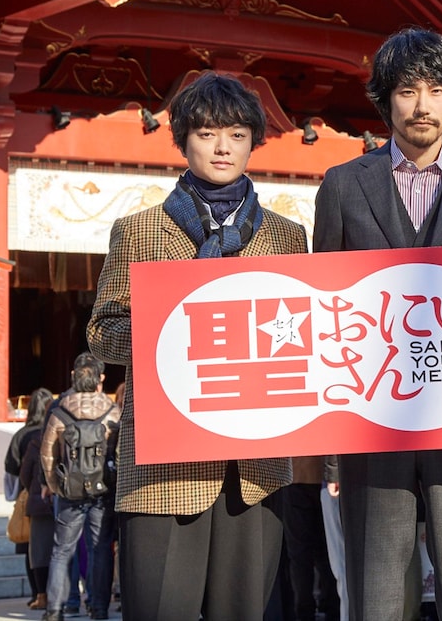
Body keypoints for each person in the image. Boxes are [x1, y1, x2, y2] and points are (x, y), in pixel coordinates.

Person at [311, 27, 442, 621]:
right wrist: (332, 448)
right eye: (407, 90)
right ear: (386, 100)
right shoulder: (344, 184)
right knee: (376, 584)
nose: (422, 105)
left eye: (435, 90)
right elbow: (326, 308)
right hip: (373, 413)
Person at [87, 71, 308, 621]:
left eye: (236, 134)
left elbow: (304, 341)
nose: (222, 147)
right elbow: (102, 332)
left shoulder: (286, 237)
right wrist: (173, 330)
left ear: (254, 142)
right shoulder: (139, 231)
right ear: (184, 140)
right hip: (162, 469)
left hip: (254, 470)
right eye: (207, 134)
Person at [40, 352, 121, 621]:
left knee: (62, 550)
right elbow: (120, 453)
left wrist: (56, 485)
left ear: (74, 378)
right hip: (102, 490)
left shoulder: (60, 411)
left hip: (69, 491)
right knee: (101, 547)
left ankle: (55, 609)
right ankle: (99, 607)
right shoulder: (112, 412)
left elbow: (47, 454)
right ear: (100, 380)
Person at [6, 387, 55, 609]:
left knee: (34, 548)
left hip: (33, 497)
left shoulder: (23, 435)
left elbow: (14, 467)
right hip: (56, 496)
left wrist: (29, 488)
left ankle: (38, 593)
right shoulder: (55, 432)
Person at [281, 455, 341, 621]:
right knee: (329, 551)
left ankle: (304, 612)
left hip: (296, 472)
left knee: (299, 555)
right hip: (327, 476)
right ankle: (332, 609)